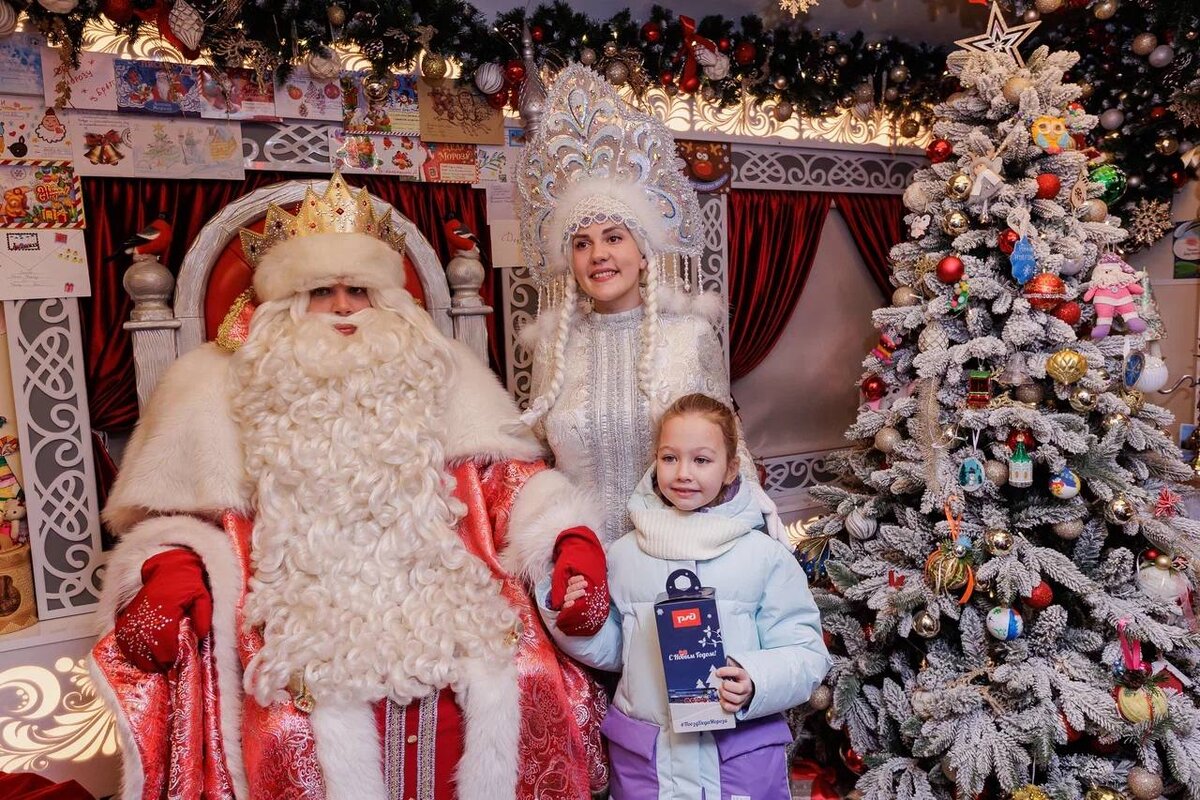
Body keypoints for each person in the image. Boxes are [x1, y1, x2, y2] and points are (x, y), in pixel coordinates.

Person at [91, 175, 609, 800]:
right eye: (320, 292)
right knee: (285, 723)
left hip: (446, 597)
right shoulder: (214, 385)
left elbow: (508, 481)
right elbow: (175, 518)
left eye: (358, 291)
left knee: (525, 675)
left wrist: (565, 535)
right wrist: (168, 564)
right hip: (292, 617)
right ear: (280, 303)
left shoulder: (439, 368)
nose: (341, 307)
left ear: (387, 300)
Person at [515, 65, 781, 548]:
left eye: (613, 238)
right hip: (581, 568)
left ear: (642, 253)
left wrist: (756, 540)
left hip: (674, 559)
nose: (598, 255)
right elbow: (537, 464)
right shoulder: (555, 349)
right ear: (569, 261)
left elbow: (726, 447)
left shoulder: (689, 337)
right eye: (582, 243)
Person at [538, 394, 831, 799]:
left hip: (737, 760)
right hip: (649, 761)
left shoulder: (763, 556)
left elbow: (807, 653)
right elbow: (614, 650)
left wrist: (755, 679)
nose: (683, 473)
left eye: (702, 460)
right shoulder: (624, 555)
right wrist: (569, 614)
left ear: (730, 469)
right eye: (670, 458)